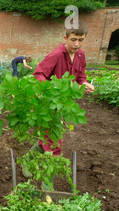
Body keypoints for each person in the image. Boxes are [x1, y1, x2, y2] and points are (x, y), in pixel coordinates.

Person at [31, 21, 94, 157]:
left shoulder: (80, 55)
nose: (76, 44)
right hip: (50, 103)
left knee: (51, 134)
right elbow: (38, 74)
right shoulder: (57, 55)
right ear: (66, 38)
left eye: (81, 40)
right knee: (54, 138)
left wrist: (84, 83)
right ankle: (53, 163)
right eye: (73, 40)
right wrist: (51, 89)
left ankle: (30, 156)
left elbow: (81, 76)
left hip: (65, 103)